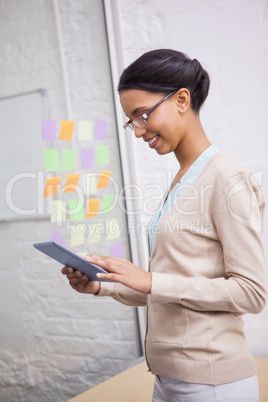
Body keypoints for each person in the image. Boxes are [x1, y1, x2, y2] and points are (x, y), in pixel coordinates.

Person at [62, 49, 267, 401]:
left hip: (212, 384)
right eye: (132, 121)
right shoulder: (183, 179)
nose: (139, 131)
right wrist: (103, 285)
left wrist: (151, 280)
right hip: (168, 380)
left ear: (182, 100)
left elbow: (252, 292)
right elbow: (171, 290)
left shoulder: (226, 178)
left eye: (142, 115)